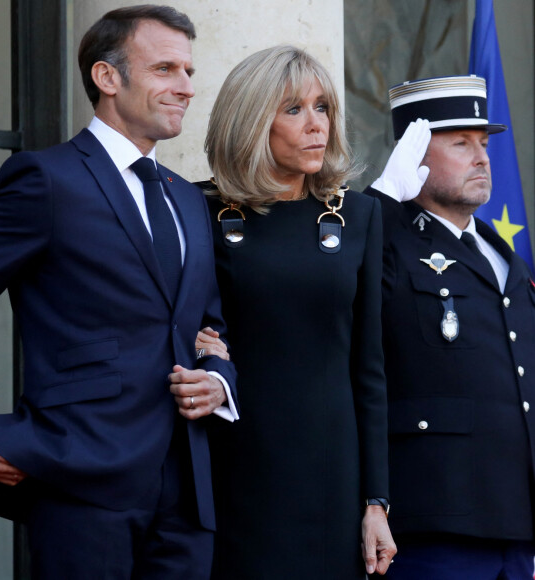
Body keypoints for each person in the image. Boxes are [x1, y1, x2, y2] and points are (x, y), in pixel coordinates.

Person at [0, 5, 237, 579]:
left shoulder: (188, 198)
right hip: (80, 476)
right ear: (107, 78)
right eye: (165, 69)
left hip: (188, 488)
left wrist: (218, 382)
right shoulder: (46, 179)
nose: (186, 86)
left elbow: (210, 326)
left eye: (188, 70)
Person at [196, 45, 396, 579]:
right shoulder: (200, 211)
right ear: (251, 120)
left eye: (323, 107)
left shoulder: (358, 215)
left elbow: (370, 371)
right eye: (294, 109)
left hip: (331, 473)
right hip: (231, 464)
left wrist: (376, 501)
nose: (316, 125)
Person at [365, 75, 535, 579]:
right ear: (414, 153)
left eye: (483, 144)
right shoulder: (386, 239)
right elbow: (335, 285)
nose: (482, 158)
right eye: (460, 143)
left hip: (517, 520)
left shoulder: (501, 254)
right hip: (437, 516)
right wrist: (382, 201)